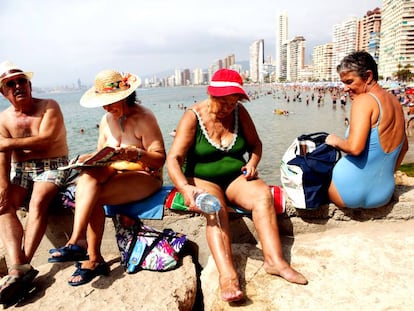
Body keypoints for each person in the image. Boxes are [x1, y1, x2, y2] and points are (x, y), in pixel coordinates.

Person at [167, 69, 307, 303]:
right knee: (215, 208)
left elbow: (256, 144)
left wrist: (252, 163)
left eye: (233, 102)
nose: (228, 107)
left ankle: (275, 261)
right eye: (223, 102)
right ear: (210, 94)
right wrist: (185, 188)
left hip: (235, 177)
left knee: (262, 195)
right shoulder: (192, 117)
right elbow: (173, 159)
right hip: (202, 178)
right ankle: (228, 277)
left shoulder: (240, 113)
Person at [48, 69, 166, 286]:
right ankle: (77, 242)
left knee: (94, 195)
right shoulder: (106, 120)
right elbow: (102, 156)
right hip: (114, 170)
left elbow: (159, 160)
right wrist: (87, 159)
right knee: (87, 179)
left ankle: (92, 257)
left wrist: (136, 153)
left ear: (125, 97)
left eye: (110, 102)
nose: (106, 107)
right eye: (103, 102)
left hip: (144, 174)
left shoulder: (145, 118)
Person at [0, 61, 69, 302]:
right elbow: (3, 155)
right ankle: (18, 267)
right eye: (11, 83)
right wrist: (3, 186)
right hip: (21, 170)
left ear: (29, 85)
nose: (18, 86)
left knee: (37, 202)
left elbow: (47, 139)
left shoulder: (49, 106)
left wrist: (7, 143)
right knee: (3, 205)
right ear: (3, 91)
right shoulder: (4, 119)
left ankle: (21, 268)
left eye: (22, 81)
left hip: (53, 164)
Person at [325, 51, 408, 208]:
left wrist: (334, 140)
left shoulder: (364, 100)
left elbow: (354, 148)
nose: (345, 88)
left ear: (368, 76)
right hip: (383, 194)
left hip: (347, 190)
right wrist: (385, 175)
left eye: (349, 82)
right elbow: (404, 148)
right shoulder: (395, 102)